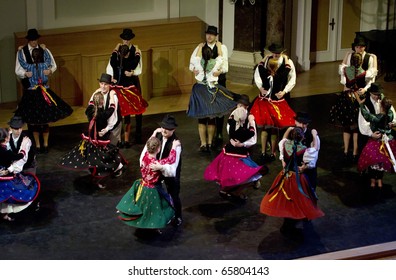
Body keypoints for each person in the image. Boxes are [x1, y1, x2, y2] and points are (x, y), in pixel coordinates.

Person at [260, 127, 324, 236]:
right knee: (296, 201)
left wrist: (288, 130)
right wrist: (314, 134)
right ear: (302, 137)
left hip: (286, 176)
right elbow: (315, 149)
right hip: (297, 178)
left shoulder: (285, 145)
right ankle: (288, 226)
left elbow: (283, 139)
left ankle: (288, 224)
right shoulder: (304, 149)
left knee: (287, 200)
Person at [204, 95, 267, 201]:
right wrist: (238, 141)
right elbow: (235, 133)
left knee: (246, 173)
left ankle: (237, 189)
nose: (239, 107)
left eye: (241, 105)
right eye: (238, 105)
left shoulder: (246, 118)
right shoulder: (234, 118)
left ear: (246, 107)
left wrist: (242, 144)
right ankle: (234, 191)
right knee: (237, 174)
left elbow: (252, 139)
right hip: (235, 152)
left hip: (241, 150)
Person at [59, 90, 126, 188]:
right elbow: (112, 107)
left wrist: (96, 92)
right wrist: (111, 96)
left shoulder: (89, 110)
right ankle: (106, 174)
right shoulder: (103, 114)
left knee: (93, 158)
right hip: (100, 141)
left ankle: (98, 174)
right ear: (102, 102)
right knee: (105, 159)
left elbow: (90, 103)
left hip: (90, 140)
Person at [15, 43, 73, 154]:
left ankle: (37, 145)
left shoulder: (29, 66)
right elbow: (48, 60)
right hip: (43, 92)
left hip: (32, 95)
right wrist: (45, 50)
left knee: (34, 121)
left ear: (32, 58)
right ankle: (45, 144)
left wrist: (19, 52)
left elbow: (21, 62)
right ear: (41, 56)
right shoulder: (45, 65)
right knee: (45, 122)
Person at [116, 137, 180, 233]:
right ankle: (154, 225)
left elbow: (145, 150)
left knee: (143, 207)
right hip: (152, 189)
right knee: (159, 206)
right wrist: (174, 146)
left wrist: (154, 134)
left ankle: (146, 225)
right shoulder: (156, 163)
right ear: (158, 149)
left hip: (142, 186)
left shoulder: (144, 157)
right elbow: (171, 159)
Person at [250, 43, 296, 162]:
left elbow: (292, 78)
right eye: (274, 53)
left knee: (275, 127)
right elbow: (258, 74)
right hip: (265, 99)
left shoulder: (287, 63)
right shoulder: (266, 62)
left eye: (278, 53)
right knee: (265, 127)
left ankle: (273, 151)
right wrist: (260, 88)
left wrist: (284, 91)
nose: (276, 55)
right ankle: (264, 151)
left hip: (278, 99)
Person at [187, 42, 237, 152]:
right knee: (211, 117)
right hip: (210, 91)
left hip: (199, 90)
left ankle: (203, 144)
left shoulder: (197, 61)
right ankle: (210, 142)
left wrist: (199, 47)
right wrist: (219, 48)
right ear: (210, 55)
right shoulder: (215, 63)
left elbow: (195, 58)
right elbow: (221, 58)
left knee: (201, 118)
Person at [329, 52, 376, 163]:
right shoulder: (364, 73)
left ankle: (346, 150)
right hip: (356, 100)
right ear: (361, 62)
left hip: (346, 99)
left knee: (346, 126)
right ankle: (355, 152)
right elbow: (373, 73)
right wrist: (374, 58)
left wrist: (346, 55)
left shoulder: (346, 70)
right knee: (355, 127)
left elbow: (342, 66)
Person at [189, 25, 229, 146]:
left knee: (219, 108)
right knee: (208, 112)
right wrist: (194, 70)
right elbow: (192, 64)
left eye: (212, 34)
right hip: (205, 84)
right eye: (207, 34)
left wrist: (219, 72)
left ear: (216, 36)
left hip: (218, 81)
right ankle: (207, 141)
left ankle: (219, 132)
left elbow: (225, 66)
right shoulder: (200, 47)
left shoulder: (222, 47)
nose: (209, 36)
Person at [107, 28, 147, 146]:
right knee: (123, 110)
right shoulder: (118, 51)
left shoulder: (135, 49)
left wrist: (132, 73)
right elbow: (110, 64)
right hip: (122, 83)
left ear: (131, 40)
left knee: (137, 107)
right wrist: (112, 78)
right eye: (124, 39)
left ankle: (137, 134)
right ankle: (123, 137)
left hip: (132, 80)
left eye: (128, 39)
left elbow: (138, 68)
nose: (126, 41)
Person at [142, 114, 183, 226]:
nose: (165, 130)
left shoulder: (176, 144)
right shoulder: (158, 136)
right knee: (156, 195)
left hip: (169, 172)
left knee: (173, 195)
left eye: (168, 128)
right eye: (164, 127)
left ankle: (177, 216)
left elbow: (173, 165)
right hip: (157, 172)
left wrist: (160, 167)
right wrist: (154, 133)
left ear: (173, 129)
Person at [354, 90, 396, 197]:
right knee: (381, 161)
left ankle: (374, 181)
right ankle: (379, 181)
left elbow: (368, 117)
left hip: (379, 141)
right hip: (385, 139)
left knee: (375, 161)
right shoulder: (389, 114)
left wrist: (361, 105)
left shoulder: (380, 116)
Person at [0, 128, 40, 222]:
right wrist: (23, 147)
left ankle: (3, 214)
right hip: (6, 179)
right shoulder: (6, 152)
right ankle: (34, 205)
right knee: (26, 189)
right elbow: (19, 156)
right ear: (6, 139)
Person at [282, 112, 320, 193]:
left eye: (304, 124)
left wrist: (305, 167)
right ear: (295, 122)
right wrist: (283, 161)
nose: (302, 126)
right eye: (300, 123)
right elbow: (283, 148)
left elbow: (315, 154)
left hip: (307, 173)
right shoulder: (290, 132)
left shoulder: (312, 135)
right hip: (292, 172)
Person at [358, 83, 396, 151]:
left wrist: (392, 123)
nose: (377, 96)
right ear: (370, 93)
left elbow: (392, 113)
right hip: (372, 133)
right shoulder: (366, 104)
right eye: (374, 94)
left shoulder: (383, 100)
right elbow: (363, 122)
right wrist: (371, 134)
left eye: (378, 94)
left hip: (385, 132)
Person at [89, 73, 122, 146]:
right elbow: (91, 110)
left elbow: (113, 116)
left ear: (110, 85)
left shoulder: (113, 96)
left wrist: (106, 129)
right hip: (102, 126)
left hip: (113, 125)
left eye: (106, 84)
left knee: (111, 147)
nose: (103, 86)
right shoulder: (96, 94)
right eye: (101, 83)